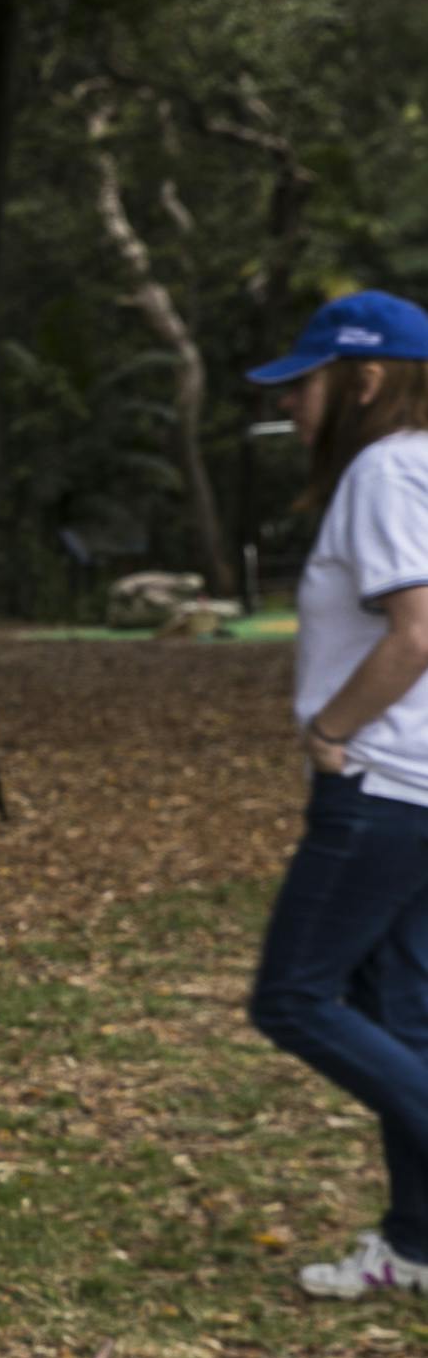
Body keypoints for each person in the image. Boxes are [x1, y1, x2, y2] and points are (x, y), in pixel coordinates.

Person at [241, 292, 428, 1299]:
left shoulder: (386, 467)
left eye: (306, 384)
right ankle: (417, 1243)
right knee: (400, 1010)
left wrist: (332, 732)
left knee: (294, 995)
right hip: (423, 785)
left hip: (386, 781)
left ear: (365, 382)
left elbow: (416, 632)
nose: (295, 406)